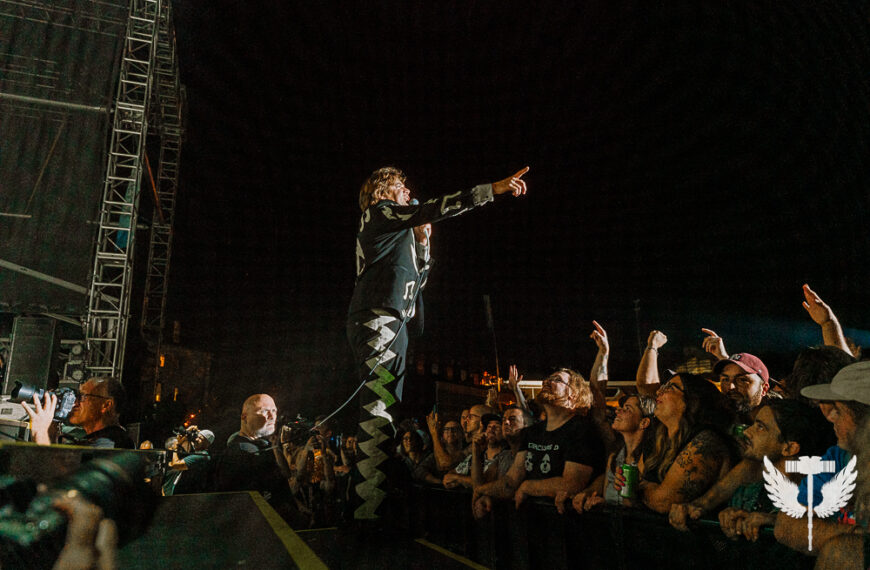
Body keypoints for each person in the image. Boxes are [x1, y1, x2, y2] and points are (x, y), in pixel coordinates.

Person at [347, 165, 529, 520]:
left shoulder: (395, 233)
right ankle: (366, 510)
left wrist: (422, 242)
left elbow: (418, 281)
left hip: (393, 323)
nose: (406, 191)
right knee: (377, 410)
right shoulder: (378, 213)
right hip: (377, 321)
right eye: (400, 186)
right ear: (382, 191)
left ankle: (370, 504)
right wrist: (491, 189)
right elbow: (434, 207)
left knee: (385, 409)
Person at [667, 399, 831, 539]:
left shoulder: (818, 487)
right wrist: (694, 509)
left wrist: (771, 521)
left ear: (789, 449)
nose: (747, 432)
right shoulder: (752, 468)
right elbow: (705, 503)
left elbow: (819, 527)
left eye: (760, 427)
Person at [471, 368, 604, 519]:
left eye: (557, 380)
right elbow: (511, 480)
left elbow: (572, 484)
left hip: (565, 525)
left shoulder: (581, 430)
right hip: (528, 524)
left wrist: (528, 486)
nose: (547, 381)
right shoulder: (533, 432)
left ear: (573, 395)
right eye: (548, 378)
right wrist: (484, 491)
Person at [774, 361, 870, 554]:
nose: (830, 417)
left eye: (840, 410)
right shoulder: (838, 457)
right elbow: (787, 525)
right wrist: (857, 538)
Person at [620, 373, 738, 514]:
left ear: (692, 401)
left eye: (671, 387)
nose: (659, 391)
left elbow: (663, 502)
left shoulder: (707, 441)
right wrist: (627, 487)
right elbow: (630, 499)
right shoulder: (658, 439)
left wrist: (639, 488)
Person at [563, 394, 655, 514]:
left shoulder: (649, 459)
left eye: (627, 409)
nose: (618, 411)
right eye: (622, 407)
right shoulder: (615, 456)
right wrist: (601, 503)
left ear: (644, 422)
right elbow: (609, 498)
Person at [212, 394, 291, 504]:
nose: (272, 417)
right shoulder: (241, 452)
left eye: (274, 411)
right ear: (244, 417)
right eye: (264, 411)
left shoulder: (261, 445)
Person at [23, 377, 134, 449]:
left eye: (83, 397)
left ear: (106, 405)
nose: (74, 403)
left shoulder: (112, 444)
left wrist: (41, 432)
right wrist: (51, 426)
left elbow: (57, 475)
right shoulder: (91, 439)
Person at [163, 427, 215, 496]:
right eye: (197, 437)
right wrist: (187, 431)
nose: (196, 439)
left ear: (207, 444)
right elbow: (181, 442)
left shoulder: (201, 456)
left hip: (186, 496)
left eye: (200, 439)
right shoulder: (199, 453)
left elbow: (175, 465)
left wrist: (174, 449)